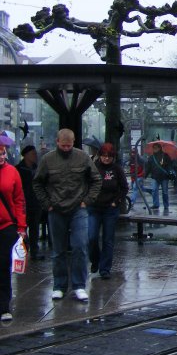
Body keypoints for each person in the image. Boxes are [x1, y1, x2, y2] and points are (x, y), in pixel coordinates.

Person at [33, 129, 101, 302]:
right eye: (63, 146)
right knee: (58, 250)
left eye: (68, 146)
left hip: (78, 207)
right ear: (57, 142)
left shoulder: (82, 157)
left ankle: (79, 285)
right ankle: (59, 285)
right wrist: (47, 204)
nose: (65, 149)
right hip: (56, 208)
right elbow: (37, 183)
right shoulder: (48, 159)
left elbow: (96, 179)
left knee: (80, 246)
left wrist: (87, 201)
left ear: (73, 143)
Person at [88, 143, 128, 279]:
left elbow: (124, 187)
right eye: (104, 156)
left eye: (109, 156)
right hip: (94, 207)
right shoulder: (93, 167)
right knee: (91, 237)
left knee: (108, 239)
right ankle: (95, 260)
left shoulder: (117, 169)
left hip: (110, 209)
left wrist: (116, 201)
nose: (106, 159)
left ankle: (105, 268)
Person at [0, 143, 27, 321]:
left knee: (3, 267)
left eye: (2, 153)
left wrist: (21, 226)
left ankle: (3, 306)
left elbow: (19, 200)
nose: (1, 157)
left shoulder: (12, 172)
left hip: (6, 226)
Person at [15, 145, 44, 260]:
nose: (35, 156)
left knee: (35, 227)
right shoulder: (18, 169)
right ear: (26, 155)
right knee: (23, 228)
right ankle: (23, 250)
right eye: (33, 154)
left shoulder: (37, 168)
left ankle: (34, 251)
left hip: (35, 203)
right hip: (23, 204)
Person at [144, 143, 174, 213]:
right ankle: (156, 204)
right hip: (155, 176)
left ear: (159, 148)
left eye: (156, 148)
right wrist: (144, 176)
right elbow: (148, 167)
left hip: (164, 177)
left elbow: (170, 165)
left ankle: (166, 205)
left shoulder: (165, 156)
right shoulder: (151, 157)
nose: (154, 149)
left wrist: (168, 169)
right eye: (154, 148)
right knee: (154, 190)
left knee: (165, 192)